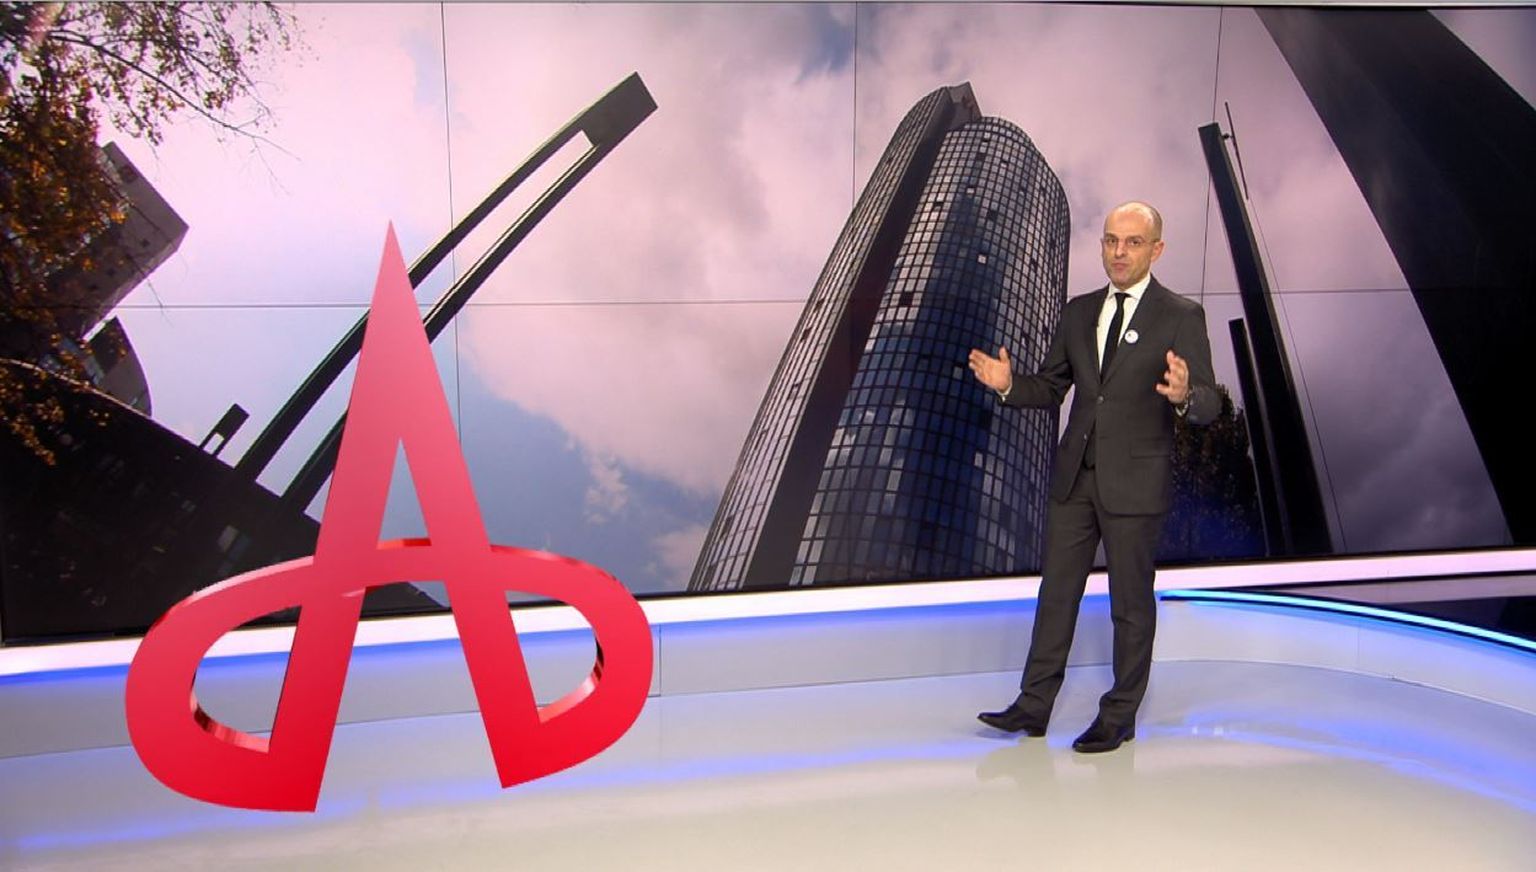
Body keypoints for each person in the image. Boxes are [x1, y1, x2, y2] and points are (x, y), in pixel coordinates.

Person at [967, 201, 1218, 753]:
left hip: (1135, 483)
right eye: (1110, 241)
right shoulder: (1079, 311)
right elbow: (1052, 386)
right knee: (1056, 595)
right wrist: (1009, 385)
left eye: (1132, 242)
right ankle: (1033, 706)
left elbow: (1209, 404)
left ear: (1157, 250)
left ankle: (1119, 715)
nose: (1118, 252)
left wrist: (1185, 395)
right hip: (1075, 480)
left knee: (1130, 606)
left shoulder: (1181, 314)